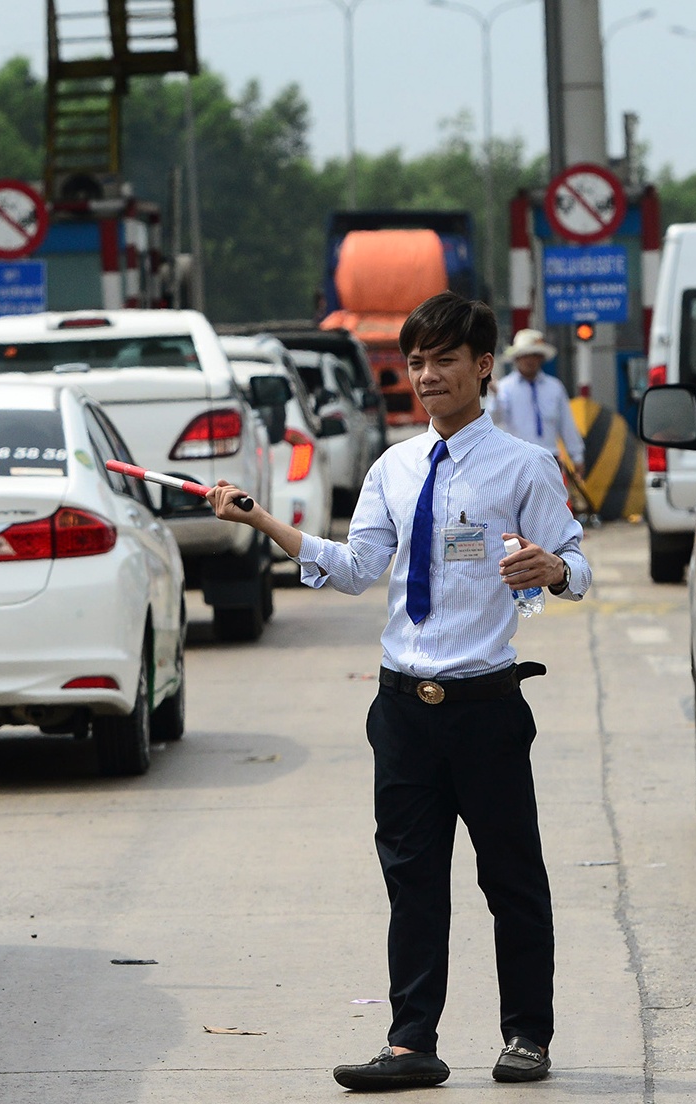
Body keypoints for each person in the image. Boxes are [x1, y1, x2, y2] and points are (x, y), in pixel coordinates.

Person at [205, 291, 591, 1090]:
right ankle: (412, 1043)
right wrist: (263, 522)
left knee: (511, 878)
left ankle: (527, 1035)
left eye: (443, 360)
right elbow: (354, 569)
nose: (426, 375)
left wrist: (554, 568)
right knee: (412, 881)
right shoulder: (393, 468)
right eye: (416, 362)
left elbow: (576, 562)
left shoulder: (524, 466)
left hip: (486, 707)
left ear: (483, 367)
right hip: (403, 711)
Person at [490, 328, 587, 474]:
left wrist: (577, 456)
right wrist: (495, 395)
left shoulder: (555, 387)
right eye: (525, 355)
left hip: (549, 458)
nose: (530, 360)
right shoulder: (504, 388)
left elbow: (566, 424)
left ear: (541, 358)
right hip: (517, 460)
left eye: (535, 355)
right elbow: (496, 419)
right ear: (517, 358)